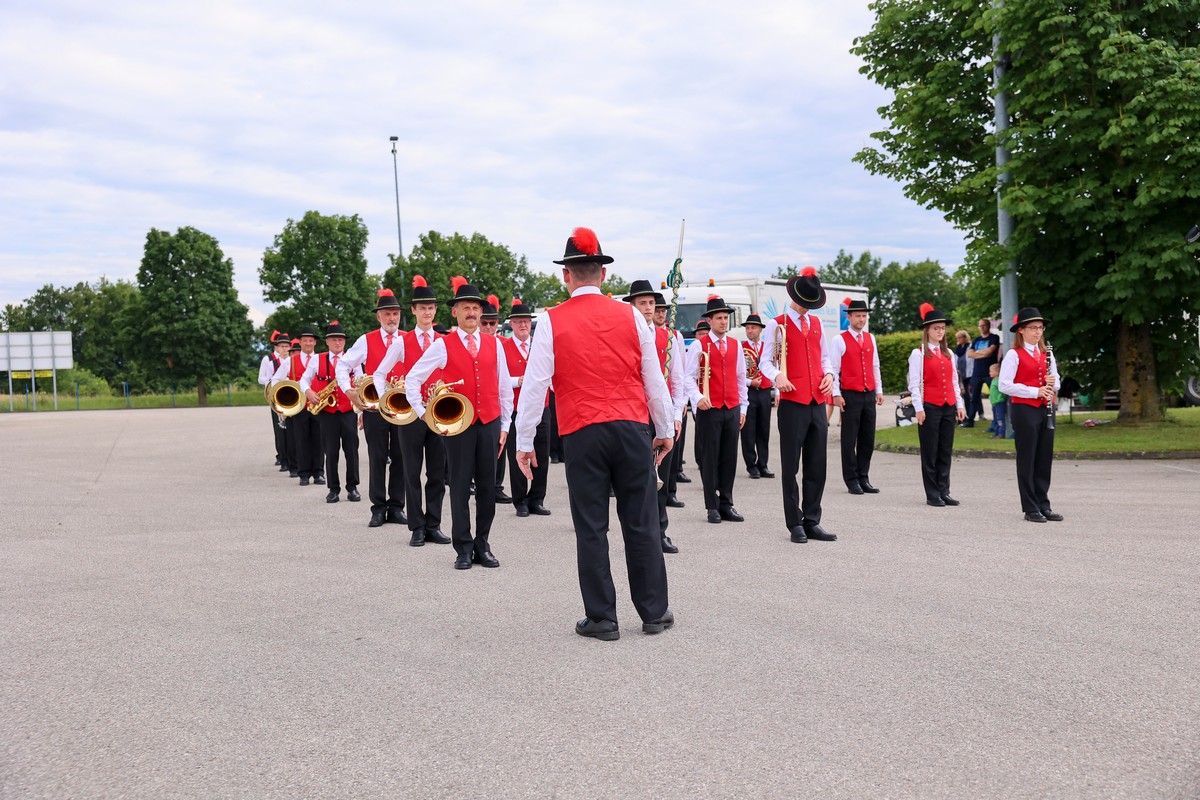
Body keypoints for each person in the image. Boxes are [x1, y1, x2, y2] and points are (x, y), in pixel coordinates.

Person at [515, 227, 674, 641]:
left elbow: (535, 385)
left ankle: (603, 618)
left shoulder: (550, 320)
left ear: (566, 276)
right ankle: (654, 612)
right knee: (641, 521)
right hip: (631, 426)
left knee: (592, 526)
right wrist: (666, 427)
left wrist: (524, 442)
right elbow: (653, 377)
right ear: (603, 275)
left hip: (583, 431)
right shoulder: (631, 316)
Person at [405, 277, 513, 570]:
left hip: (490, 422)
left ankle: (483, 545)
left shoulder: (495, 344)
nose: (471, 313)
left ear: (481, 312)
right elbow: (412, 379)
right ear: (455, 312)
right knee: (461, 486)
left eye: (475, 308)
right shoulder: (443, 345)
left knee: (489, 488)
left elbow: (504, 388)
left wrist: (505, 425)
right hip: (459, 425)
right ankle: (463, 548)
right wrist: (426, 413)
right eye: (465, 308)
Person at [372, 277, 452, 547]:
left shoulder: (444, 341)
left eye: (431, 307)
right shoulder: (403, 342)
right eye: (422, 308)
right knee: (411, 471)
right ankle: (417, 527)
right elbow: (380, 372)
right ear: (414, 311)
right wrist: (388, 400)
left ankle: (434, 524)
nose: (427, 312)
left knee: (438, 474)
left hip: (439, 413)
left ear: (435, 311)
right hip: (411, 415)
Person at [758, 267, 837, 544]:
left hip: (817, 401)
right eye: (805, 304)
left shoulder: (816, 325)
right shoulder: (775, 324)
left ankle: (812, 520)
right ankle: (795, 523)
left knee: (817, 464)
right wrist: (777, 376)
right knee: (791, 466)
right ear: (795, 297)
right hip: (792, 402)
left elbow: (825, 358)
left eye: (811, 305)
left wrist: (829, 376)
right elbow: (764, 362)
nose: (807, 309)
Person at [626, 280, 688, 553]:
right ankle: (640, 533)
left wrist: (676, 415)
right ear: (633, 306)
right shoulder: (626, 334)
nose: (649, 308)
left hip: (661, 416)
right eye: (642, 303)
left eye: (651, 303)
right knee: (638, 478)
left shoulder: (671, 337)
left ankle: (660, 531)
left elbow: (678, 380)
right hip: (634, 415)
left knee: (661, 476)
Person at [337, 289, 408, 529]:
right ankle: (378, 508)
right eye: (387, 314)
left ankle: (397, 507)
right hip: (374, 407)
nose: (392, 319)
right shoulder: (366, 340)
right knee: (377, 457)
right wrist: (349, 391)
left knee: (400, 457)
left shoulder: (407, 339)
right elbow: (343, 364)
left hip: (402, 406)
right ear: (378, 317)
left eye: (395, 314)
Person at [688, 295, 748, 524]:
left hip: (731, 406)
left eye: (726, 318)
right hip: (709, 408)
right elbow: (688, 378)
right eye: (719, 318)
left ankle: (727, 503)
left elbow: (741, 378)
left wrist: (743, 408)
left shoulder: (735, 345)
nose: (724, 322)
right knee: (709, 457)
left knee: (729, 457)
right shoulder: (698, 345)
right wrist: (698, 397)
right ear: (710, 321)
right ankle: (711, 505)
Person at [999, 307, 1062, 523]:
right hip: (1024, 409)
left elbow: (1057, 381)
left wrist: (1052, 383)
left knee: (1044, 458)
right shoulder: (1013, 354)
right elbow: (1004, 385)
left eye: (1040, 328)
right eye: (1033, 328)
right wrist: (1035, 391)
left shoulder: (1048, 354)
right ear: (1021, 331)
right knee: (1028, 458)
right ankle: (1030, 507)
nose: (1037, 332)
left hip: (1046, 408)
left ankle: (1043, 504)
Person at [907, 304, 967, 507]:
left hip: (948, 405)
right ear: (927, 330)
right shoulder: (918, 354)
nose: (940, 331)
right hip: (930, 406)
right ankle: (932, 493)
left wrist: (959, 405)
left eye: (942, 328)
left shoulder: (950, 353)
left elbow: (953, 382)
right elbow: (914, 384)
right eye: (936, 328)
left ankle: (944, 490)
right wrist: (919, 408)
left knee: (945, 450)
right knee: (930, 451)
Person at [299, 321, 361, 503]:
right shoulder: (317, 359)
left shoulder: (352, 359)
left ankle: (353, 487)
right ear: (327, 342)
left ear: (344, 342)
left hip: (348, 411)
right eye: (334, 339)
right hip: (327, 412)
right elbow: (304, 380)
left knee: (351, 451)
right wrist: (309, 392)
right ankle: (333, 489)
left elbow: (360, 381)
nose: (337, 343)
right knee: (331, 452)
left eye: (340, 340)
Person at [501, 298, 551, 518]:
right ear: (511, 324)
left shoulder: (540, 345)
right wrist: (517, 381)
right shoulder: (502, 347)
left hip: (542, 407)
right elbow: (498, 378)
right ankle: (520, 500)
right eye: (519, 322)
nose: (523, 326)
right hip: (515, 408)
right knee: (517, 453)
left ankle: (537, 498)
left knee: (541, 453)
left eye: (526, 322)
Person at [830, 298, 884, 494]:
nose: (861, 319)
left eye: (864, 316)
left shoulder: (870, 338)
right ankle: (851, 479)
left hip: (868, 393)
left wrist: (878, 390)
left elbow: (875, 365)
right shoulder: (839, 340)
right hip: (850, 394)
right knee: (849, 438)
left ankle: (864, 476)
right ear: (849, 317)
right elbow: (834, 370)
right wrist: (836, 394)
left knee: (867, 438)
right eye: (858, 316)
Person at [271, 326, 324, 487]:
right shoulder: (290, 361)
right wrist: (283, 397)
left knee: (318, 440)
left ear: (315, 342)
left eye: (311, 340)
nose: (308, 343)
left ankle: (319, 472)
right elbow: (275, 380)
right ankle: (304, 474)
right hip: (299, 407)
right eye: (305, 340)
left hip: (318, 405)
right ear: (300, 342)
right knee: (300, 441)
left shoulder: (321, 359)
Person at [654, 292, 689, 508]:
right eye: (657, 310)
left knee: (671, 453)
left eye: (661, 310)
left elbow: (680, 373)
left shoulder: (674, 336)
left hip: (669, 404)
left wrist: (681, 402)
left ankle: (670, 492)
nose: (659, 313)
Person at [480, 296, 512, 505]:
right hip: (475, 402)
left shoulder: (504, 344)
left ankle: (496, 486)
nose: (490, 327)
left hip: (496, 402)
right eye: (486, 323)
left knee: (499, 449)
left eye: (493, 323)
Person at [740, 313, 775, 480]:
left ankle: (763, 464)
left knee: (763, 429)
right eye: (747, 328)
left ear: (760, 329)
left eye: (753, 327)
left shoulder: (768, 347)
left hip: (765, 392)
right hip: (750, 391)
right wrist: (750, 382)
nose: (750, 330)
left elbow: (775, 366)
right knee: (748, 430)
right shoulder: (741, 347)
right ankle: (751, 465)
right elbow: (738, 374)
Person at [259, 330, 292, 472]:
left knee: (292, 429)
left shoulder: (293, 360)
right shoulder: (270, 360)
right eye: (281, 346)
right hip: (277, 397)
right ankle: (282, 457)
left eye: (286, 346)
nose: (284, 349)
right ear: (276, 347)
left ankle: (293, 458)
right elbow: (263, 379)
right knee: (279, 429)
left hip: (292, 396)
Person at [966, 318, 1001, 425]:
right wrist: (983, 353)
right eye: (980, 326)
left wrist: (977, 353)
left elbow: (990, 352)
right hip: (977, 373)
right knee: (974, 398)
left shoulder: (994, 338)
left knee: (994, 397)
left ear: (988, 326)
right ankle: (970, 420)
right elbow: (969, 354)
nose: (982, 327)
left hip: (990, 372)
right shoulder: (976, 340)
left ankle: (996, 421)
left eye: (984, 325)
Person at [954, 330, 971, 425]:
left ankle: (971, 414)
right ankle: (964, 415)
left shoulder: (970, 346)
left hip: (969, 374)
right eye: (958, 338)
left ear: (965, 338)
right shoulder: (958, 349)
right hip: (961, 374)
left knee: (970, 396)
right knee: (963, 396)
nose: (959, 339)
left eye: (960, 337)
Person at [985, 362, 1007, 439]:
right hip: (994, 403)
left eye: (991, 371)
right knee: (996, 418)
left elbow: (1003, 391)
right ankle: (996, 432)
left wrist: (1001, 398)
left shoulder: (998, 381)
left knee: (1000, 418)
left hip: (999, 402)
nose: (989, 373)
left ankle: (1001, 433)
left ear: (997, 372)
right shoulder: (993, 380)